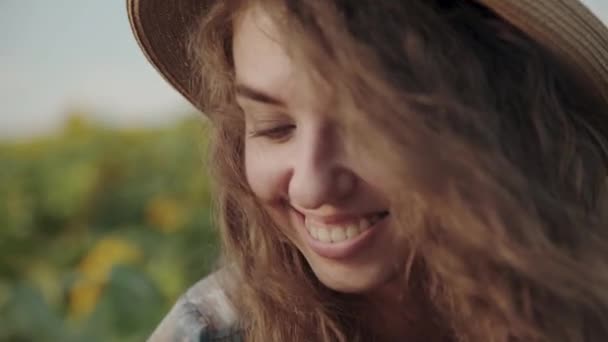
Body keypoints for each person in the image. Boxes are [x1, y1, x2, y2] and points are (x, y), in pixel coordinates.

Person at [128, 0, 608, 341]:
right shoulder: (215, 332)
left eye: (371, 124)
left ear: (503, 113)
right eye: (275, 128)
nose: (313, 185)